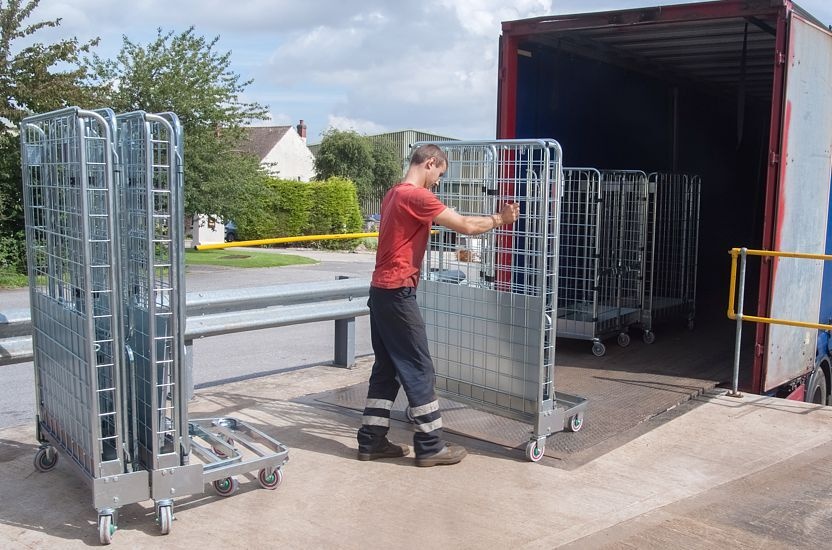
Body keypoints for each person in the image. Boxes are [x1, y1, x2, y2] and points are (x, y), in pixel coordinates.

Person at [356, 144, 520, 467]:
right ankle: (430, 445)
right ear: (430, 163)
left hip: (380, 291)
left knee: (387, 368)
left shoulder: (392, 194)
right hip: (398, 292)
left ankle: (371, 441)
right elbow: (466, 226)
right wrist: (500, 218)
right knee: (420, 368)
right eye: (439, 175)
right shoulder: (416, 196)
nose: (437, 183)